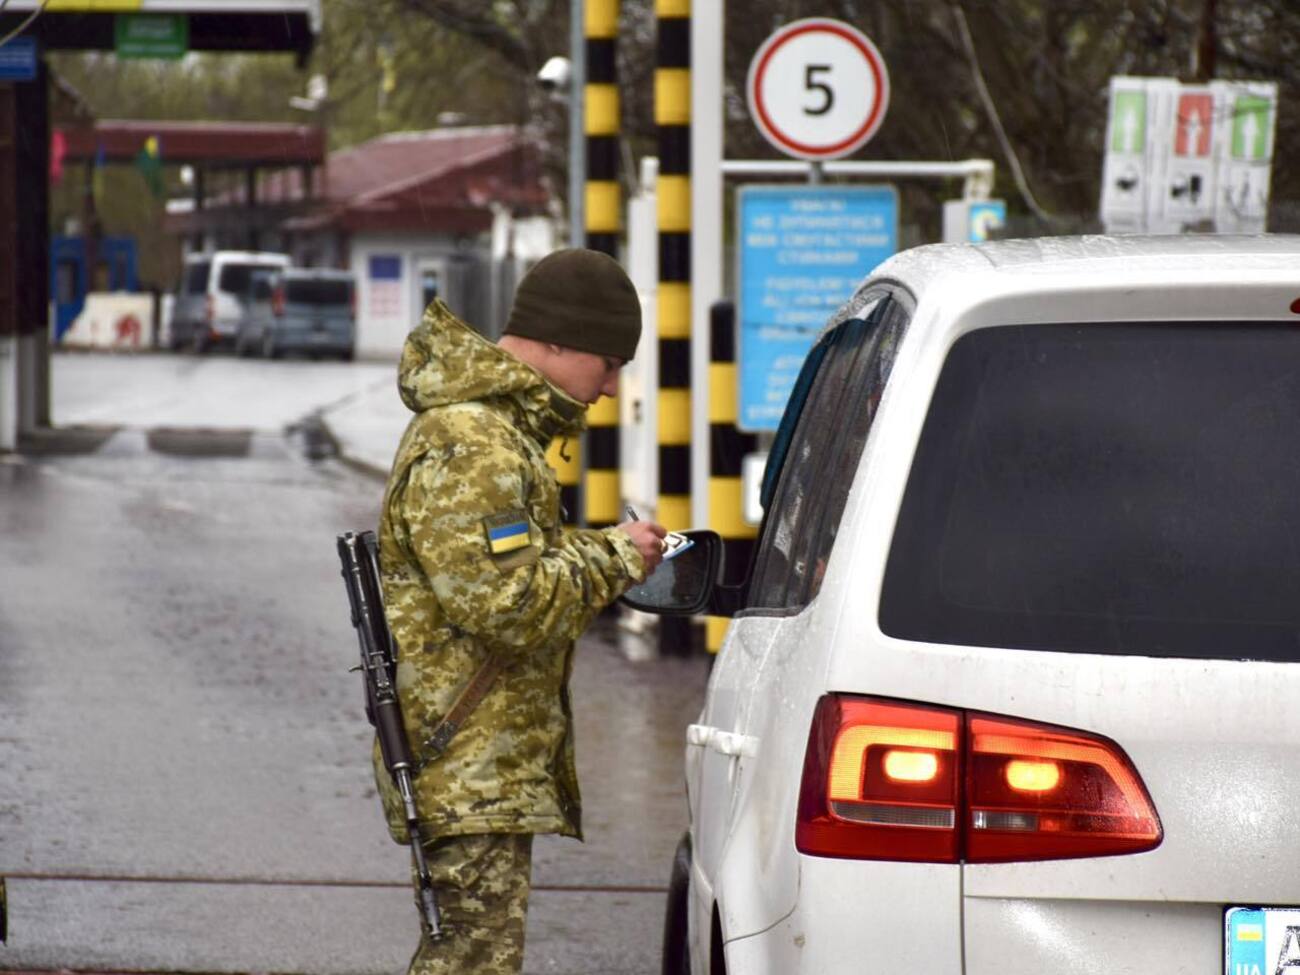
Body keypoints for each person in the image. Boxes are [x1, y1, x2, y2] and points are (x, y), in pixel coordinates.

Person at [374, 248, 667, 974]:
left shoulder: (494, 435)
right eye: (607, 360)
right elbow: (511, 605)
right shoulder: (476, 444)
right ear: (557, 340)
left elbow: (506, 574)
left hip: (477, 758)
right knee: (469, 962)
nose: (610, 384)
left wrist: (594, 548)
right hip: (467, 761)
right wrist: (618, 557)